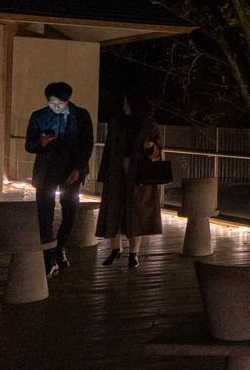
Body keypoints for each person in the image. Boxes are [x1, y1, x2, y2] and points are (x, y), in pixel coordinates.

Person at [24, 81, 93, 277]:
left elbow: (87, 144)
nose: (55, 106)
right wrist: (42, 143)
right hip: (46, 170)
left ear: (68, 99)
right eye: (52, 102)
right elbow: (29, 145)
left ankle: (60, 248)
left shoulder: (81, 115)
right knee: (44, 213)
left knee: (70, 211)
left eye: (60, 102)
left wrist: (78, 168)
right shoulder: (39, 116)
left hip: (72, 170)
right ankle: (48, 256)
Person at [96, 90, 165, 269]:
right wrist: (104, 173)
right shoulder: (116, 122)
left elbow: (158, 150)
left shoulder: (149, 124)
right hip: (117, 172)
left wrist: (151, 148)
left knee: (136, 212)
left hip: (139, 173)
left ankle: (134, 253)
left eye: (128, 102)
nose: (125, 106)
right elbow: (109, 148)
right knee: (115, 210)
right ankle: (115, 248)